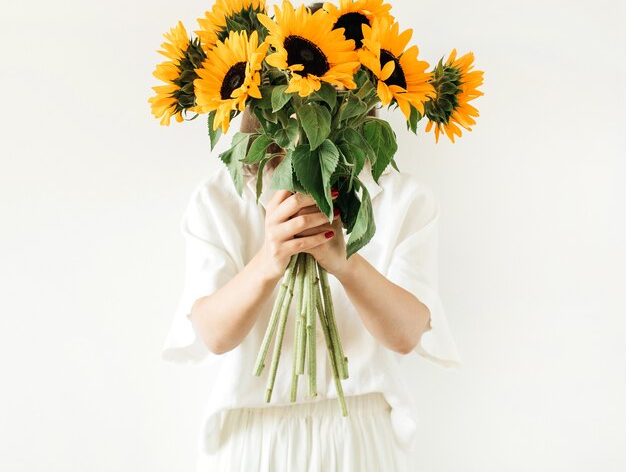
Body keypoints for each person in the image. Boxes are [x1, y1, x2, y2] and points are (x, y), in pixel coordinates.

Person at [161, 99, 462, 471]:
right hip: (253, 437)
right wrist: (269, 260)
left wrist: (346, 263)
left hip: (356, 432)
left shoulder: (402, 198)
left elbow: (407, 334)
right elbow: (213, 334)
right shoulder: (222, 197)